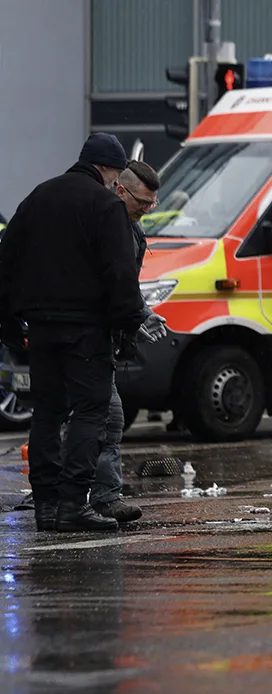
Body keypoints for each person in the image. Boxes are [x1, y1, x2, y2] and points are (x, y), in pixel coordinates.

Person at [0, 133, 147, 532]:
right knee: (90, 411)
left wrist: (10, 324)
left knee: (47, 412)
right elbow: (119, 274)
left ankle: (46, 506)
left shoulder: (38, 198)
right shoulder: (105, 205)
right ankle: (72, 505)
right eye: (115, 173)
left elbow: (5, 258)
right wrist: (129, 325)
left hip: (41, 329)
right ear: (107, 168)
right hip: (86, 330)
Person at [90, 160, 167, 523]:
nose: (147, 210)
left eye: (153, 204)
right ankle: (102, 497)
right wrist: (135, 319)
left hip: (98, 338)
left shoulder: (131, 230)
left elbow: (126, 288)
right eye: (143, 202)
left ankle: (76, 495)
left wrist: (143, 313)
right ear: (121, 190)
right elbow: (109, 287)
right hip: (87, 338)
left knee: (89, 419)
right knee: (108, 417)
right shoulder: (106, 226)